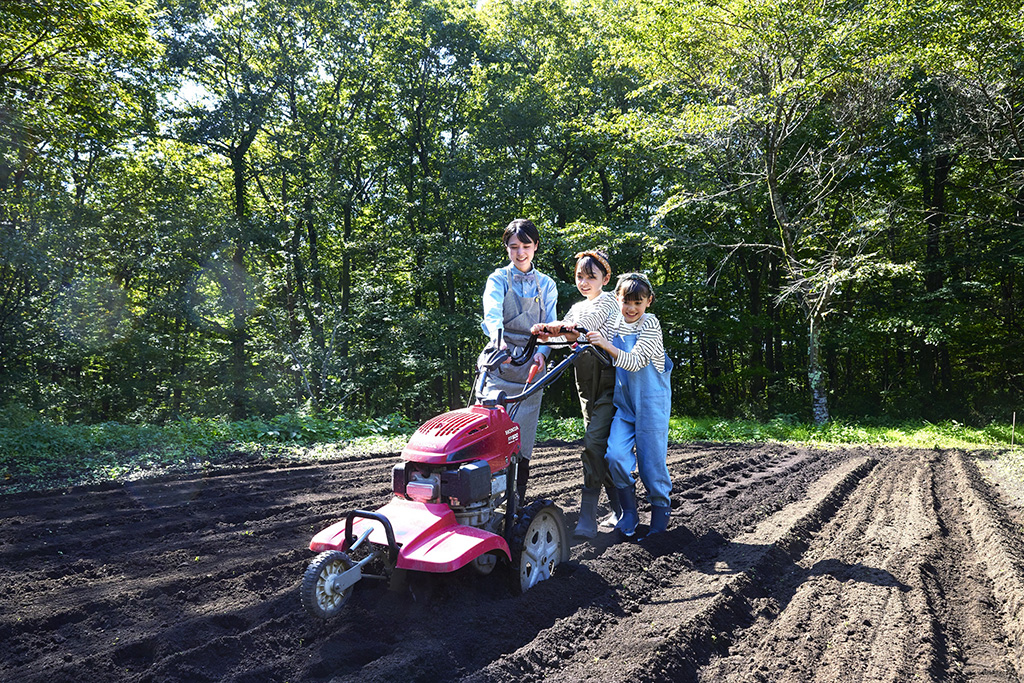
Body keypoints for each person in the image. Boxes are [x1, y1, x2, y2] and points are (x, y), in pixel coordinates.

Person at [531, 250, 622, 539]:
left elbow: (584, 329)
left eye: (591, 277)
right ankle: (620, 509)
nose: (584, 282)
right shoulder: (576, 307)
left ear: (605, 279)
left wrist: (559, 330)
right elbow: (561, 338)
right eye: (579, 276)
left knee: (593, 444)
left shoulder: (610, 302)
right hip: (584, 381)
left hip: (609, 379)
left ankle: (587, 516)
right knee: (598, 448)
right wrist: (544, 339)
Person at [586, 272, 673, 539]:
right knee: (615, 456)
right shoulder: (615, 322)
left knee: (651, 466)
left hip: (651, 405)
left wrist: (605, 345)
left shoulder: (651, 324)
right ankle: (629, 513)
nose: (631, 308)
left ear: (649, 301)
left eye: (638, 302)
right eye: (626, 302)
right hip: (625, 405)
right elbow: (588, 327)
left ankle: (659, 522)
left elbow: (635, 362)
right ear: (618, 299)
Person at [478, 218, 558, 502]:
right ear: (507, 248)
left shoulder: (546, 284)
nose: (520, 252)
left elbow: (550, 324)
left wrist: (542, 353)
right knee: (489, 432)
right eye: (514, 247)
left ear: (535, 246)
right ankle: (481, 498)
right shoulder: (498, 279)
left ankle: (517, 500)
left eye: (526, 246)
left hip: (531, 367)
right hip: (500, 361)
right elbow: (492, 314)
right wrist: (498, 341)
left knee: (522, 437)